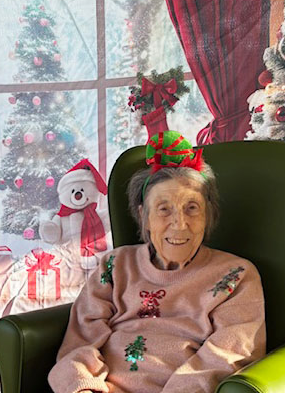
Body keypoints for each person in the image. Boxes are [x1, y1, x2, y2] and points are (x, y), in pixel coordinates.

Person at [50, 131, 265, 393]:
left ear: (208, 215)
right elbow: (80, 342)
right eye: (164, 209)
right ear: (144, 216)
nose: (179, 224)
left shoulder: (236, 275)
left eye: (192, 208)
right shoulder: (115, 265)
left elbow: (228, 355)